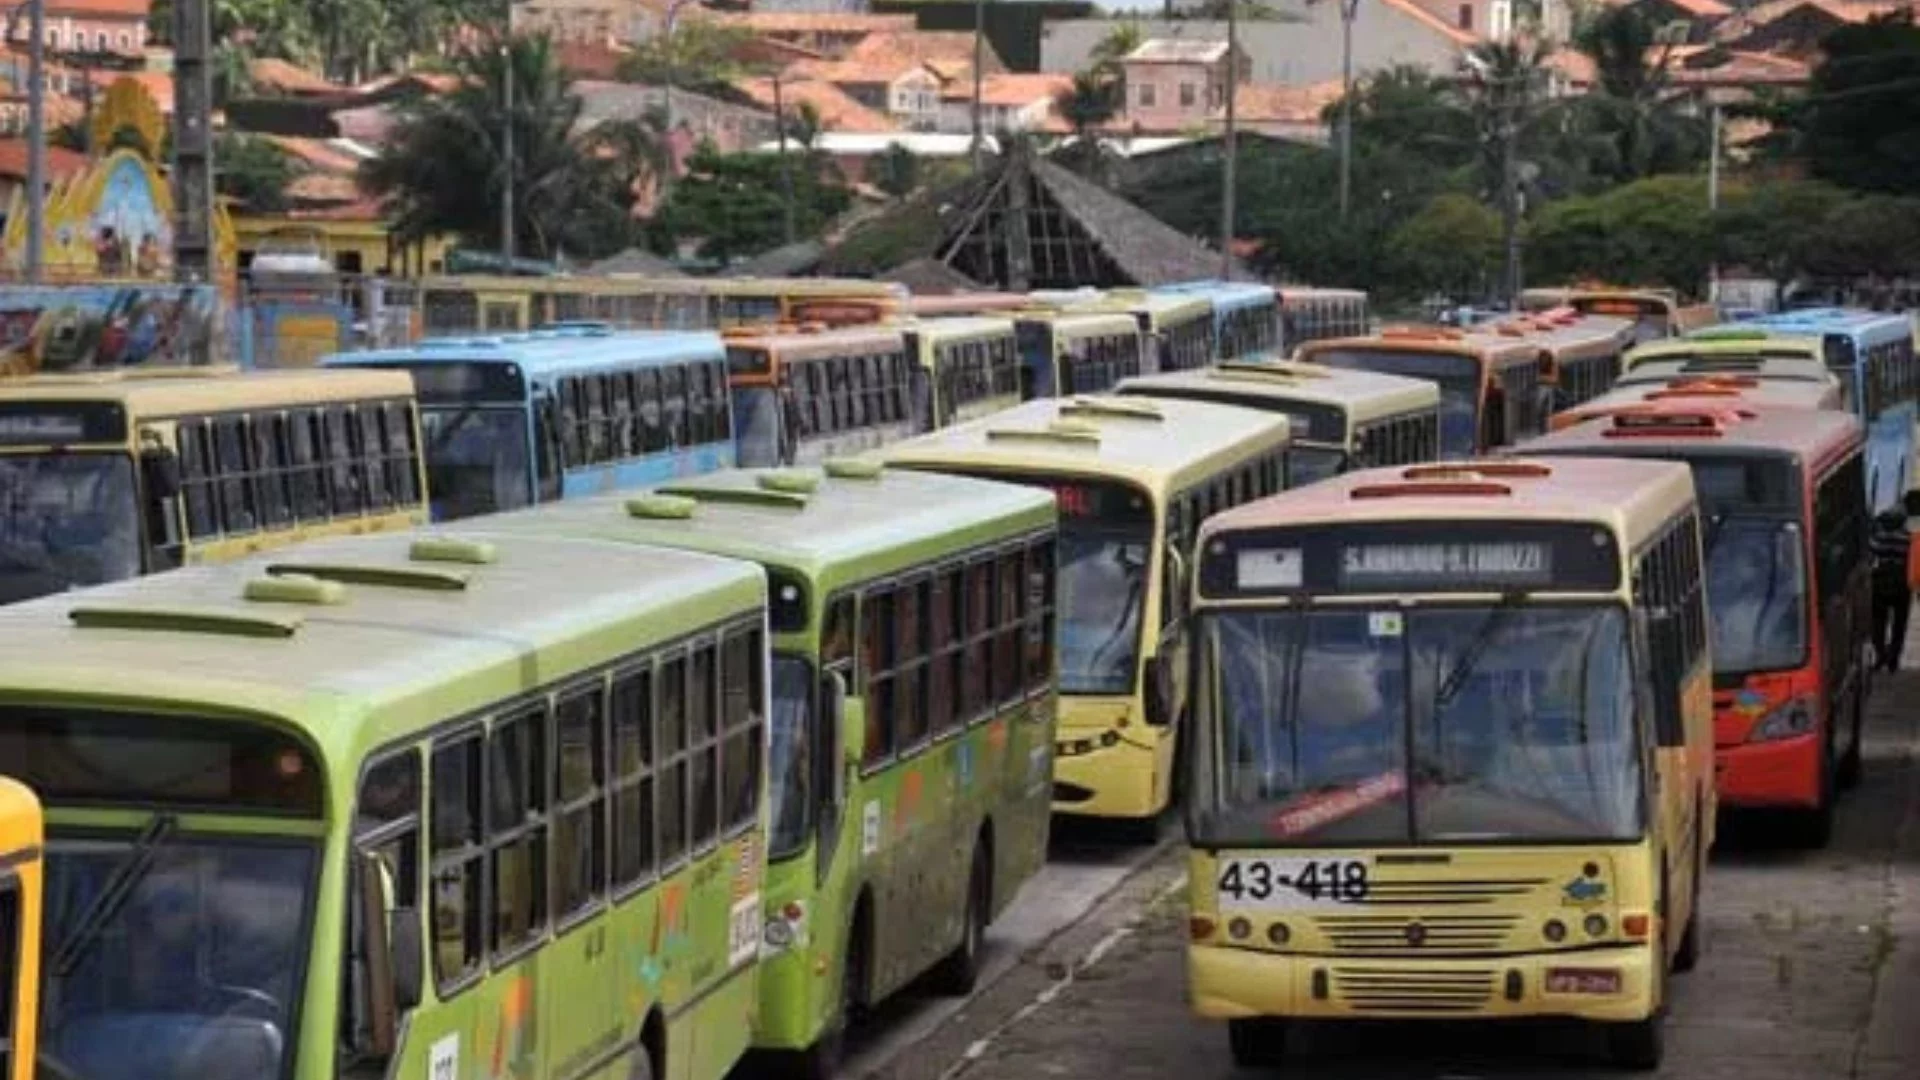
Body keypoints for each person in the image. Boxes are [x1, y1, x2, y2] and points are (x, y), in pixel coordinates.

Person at [1870, 508, 1911, 671]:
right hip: (1902, 586)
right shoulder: (1907, 539)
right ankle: (1894, 659)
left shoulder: (1878, 538)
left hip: (1880, 584)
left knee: (1878, 623)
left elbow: (1871, 553)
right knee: (1899, 625)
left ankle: (1880, 654)